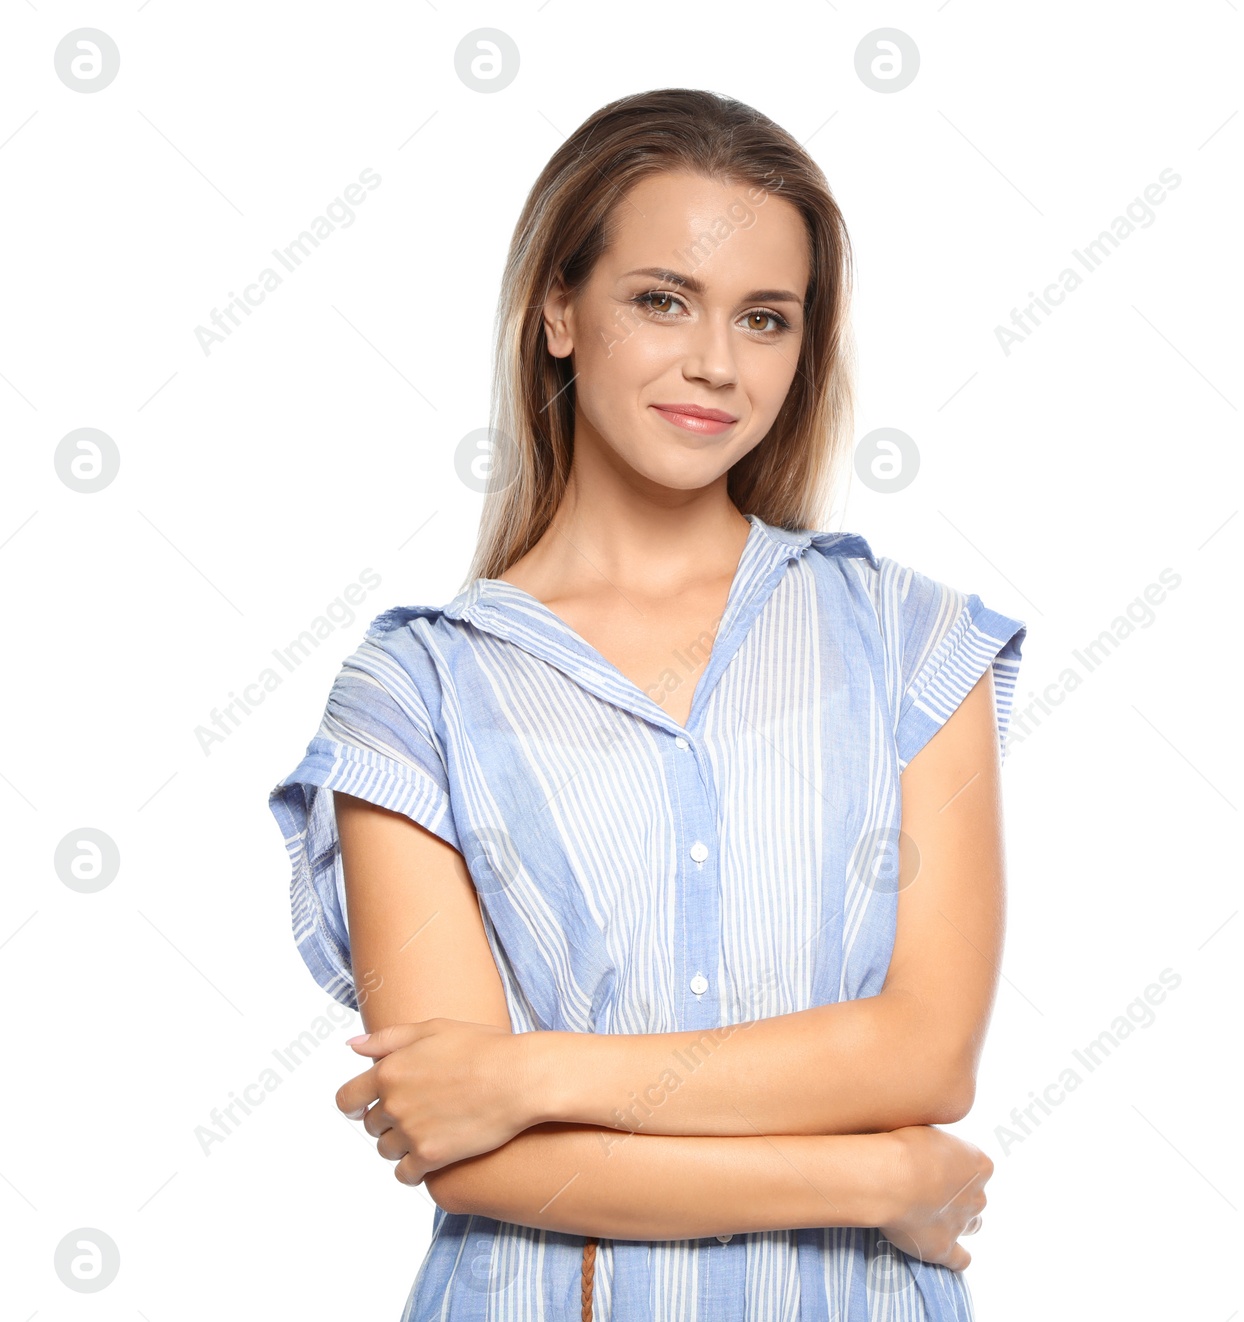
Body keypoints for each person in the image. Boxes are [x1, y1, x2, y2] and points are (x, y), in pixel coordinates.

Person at [267, 87, 1027, 1322]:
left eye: (765, 318)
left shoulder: (909, 638)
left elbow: (923, 1050)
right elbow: (469, 1146)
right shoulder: (417, 689)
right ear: (559, 310)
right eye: (661, 299)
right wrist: (876, 1171)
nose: (716, 363)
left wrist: (529, 1072)